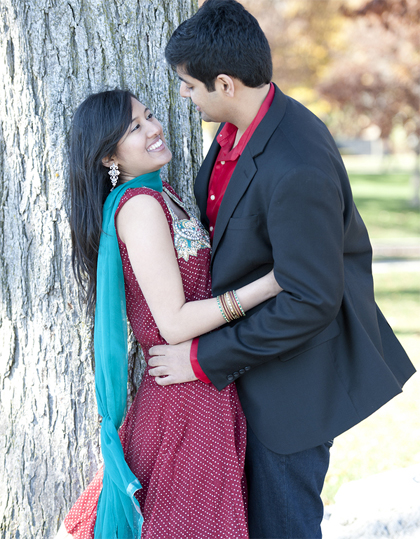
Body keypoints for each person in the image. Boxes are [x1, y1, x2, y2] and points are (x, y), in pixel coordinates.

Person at [147, 1, 417, 538]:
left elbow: (310, 301)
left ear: (224, 84)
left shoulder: (297, 164)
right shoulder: (239, 132)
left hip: (292, 394)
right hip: (252, 378)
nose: (182, 95)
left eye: (188, 85)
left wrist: (201, 357)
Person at [58, 88, 281, 539]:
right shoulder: (140, 207)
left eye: (150, 116)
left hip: (201, 386)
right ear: (108, 157)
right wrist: (272, 284)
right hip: (182, 398)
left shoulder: (165, 196)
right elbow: (173, 323)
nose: (155, 129)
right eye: (135, 128)